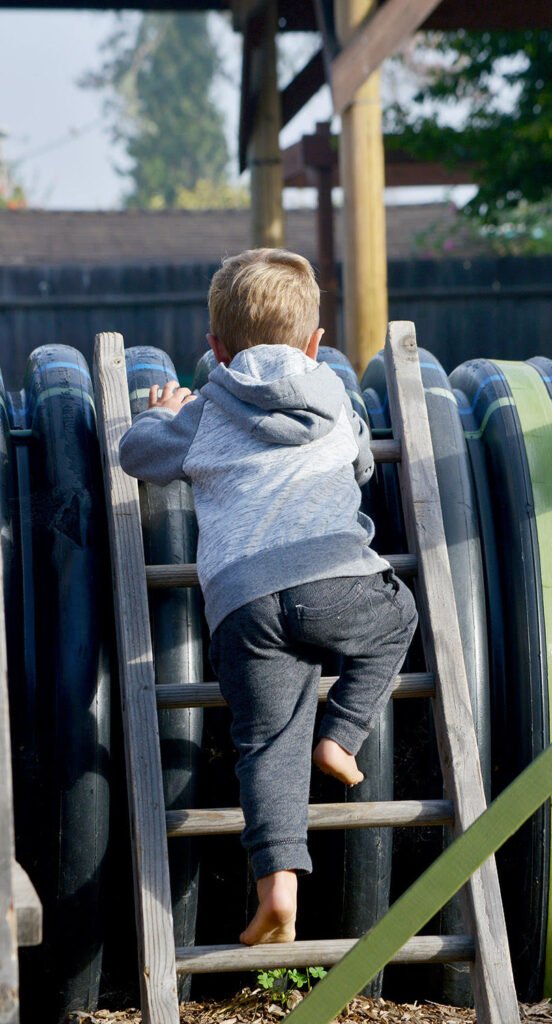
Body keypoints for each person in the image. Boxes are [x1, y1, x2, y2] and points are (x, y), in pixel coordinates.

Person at [119, 248, 418, 946]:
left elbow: (137, 457)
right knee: (397, 613)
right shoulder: (336, 397)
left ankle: (276, 889)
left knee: (265, 745)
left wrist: (161, 412)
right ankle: (342, 735)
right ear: (316, 343)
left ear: (214, 349)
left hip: (242, 602)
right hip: (332, 578)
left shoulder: (207, 409)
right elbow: (363, 464)